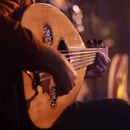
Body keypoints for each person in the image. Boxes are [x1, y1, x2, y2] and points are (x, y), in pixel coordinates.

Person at [0, 0, 130, 130]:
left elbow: (44, 83)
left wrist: (79, 71)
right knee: (121, 114)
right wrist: (48, 57)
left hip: (40, 112)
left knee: (120, 112)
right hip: (12, 109)